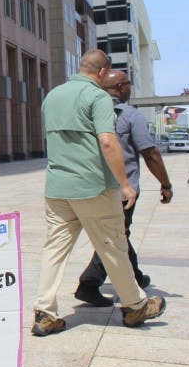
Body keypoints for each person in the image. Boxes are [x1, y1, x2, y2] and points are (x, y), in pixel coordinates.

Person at [32, 50, 166, 337]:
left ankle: (45, 312)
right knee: (113, 246)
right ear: (103, 73)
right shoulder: (99, 97)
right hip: (92, 186)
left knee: (54, 250)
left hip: (57, 187)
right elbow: (107, 142)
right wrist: (124, 184)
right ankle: (135, 306)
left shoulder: (52, 96)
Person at [73, 70, 172, 306]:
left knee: (119, 233)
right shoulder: (130, 115)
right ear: (120, 87)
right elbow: (150, 153)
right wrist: (165, 184)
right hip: (121, 190)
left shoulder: (87, 113)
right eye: (128, 84)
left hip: (91, 186)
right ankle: (89, 283)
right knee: (114, 237)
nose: (130, 89)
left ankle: (135, 275)